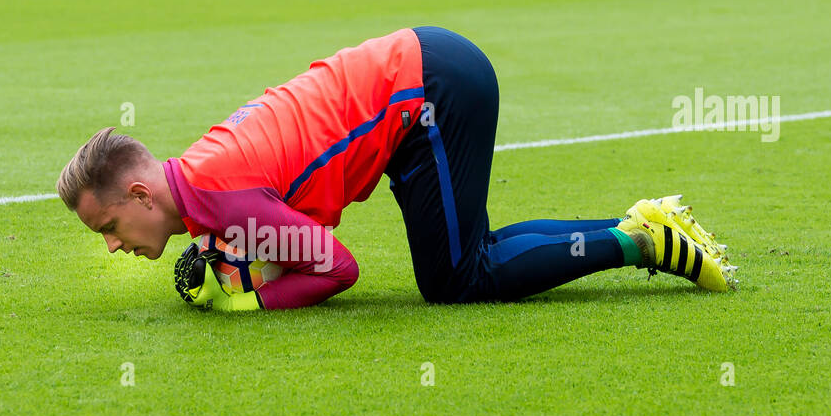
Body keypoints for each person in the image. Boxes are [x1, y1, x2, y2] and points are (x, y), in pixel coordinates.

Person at [56, 26, 736, 311]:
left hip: (433, 95)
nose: (114, 245)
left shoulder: (221, 198)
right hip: (420, 90)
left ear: (141, 192)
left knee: (458, 278)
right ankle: (639, 224)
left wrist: (251, 298)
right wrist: (234, 258)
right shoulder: (202, 180)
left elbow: (336, 267)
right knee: (467, 257)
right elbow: (282, 225)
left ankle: (642, 242)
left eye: (108, 226)